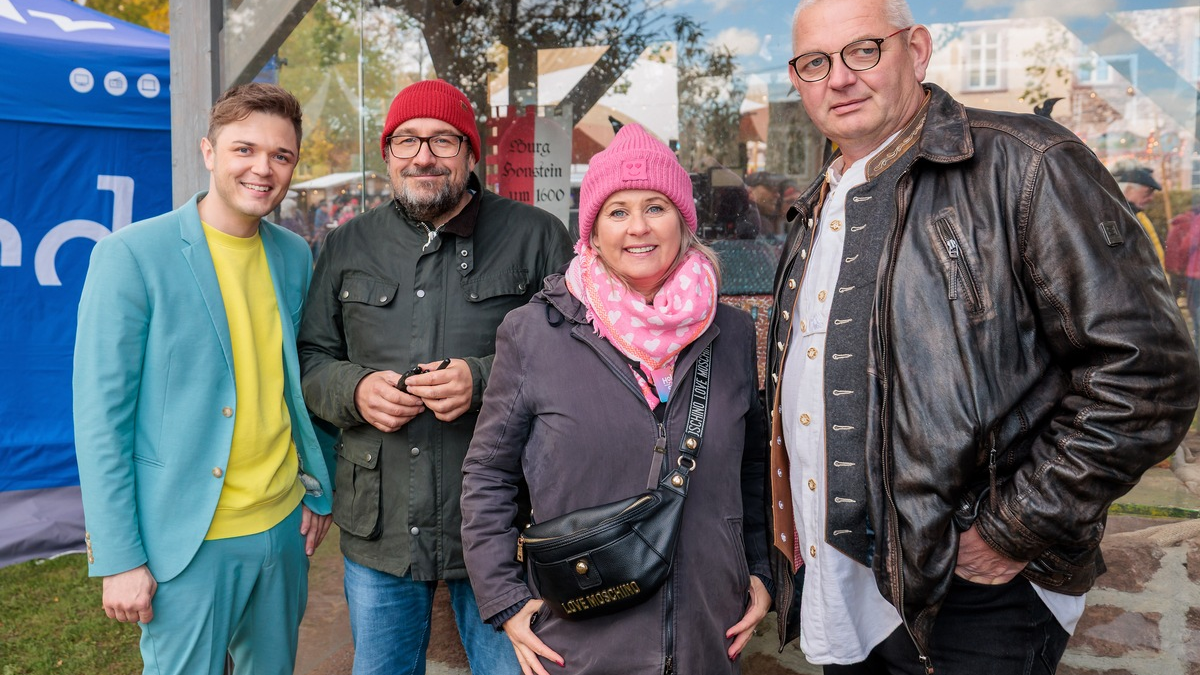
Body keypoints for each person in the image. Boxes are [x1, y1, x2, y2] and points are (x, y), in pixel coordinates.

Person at [765, 1, 1200, 673]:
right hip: (849, 587)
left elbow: (1150, 371)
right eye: (816, 63)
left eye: (863, 51)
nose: (840, 79)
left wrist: (1012, 527)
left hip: (975, 594)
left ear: (917, 48)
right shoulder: (816, 203)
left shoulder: (1026, 163)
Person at [460, 123, 772, 675]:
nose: (638, 228)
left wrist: (760, 571)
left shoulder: (729, 332)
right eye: (617, 211)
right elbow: (488, 474)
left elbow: (751, 468)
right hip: (581, 645)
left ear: (683, 220)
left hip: (708, 634)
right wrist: (504, 599)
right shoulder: (535, 333)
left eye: (656, 206)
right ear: (593, 231)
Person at [297, 78, 573, 675]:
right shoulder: (346, 244)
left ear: (472, 154)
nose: (424, 155)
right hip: (382, 522)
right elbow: (311, 360)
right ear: (389, 155)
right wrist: (354, 390)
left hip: (506, 522)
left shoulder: (537, 237)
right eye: (407, 141)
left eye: (444, 140)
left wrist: (483, 379)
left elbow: (579, 358)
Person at [73, 83, 335, 675]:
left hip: (282, 528)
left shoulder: (294, 255)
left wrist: (320, 482)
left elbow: (303, 377)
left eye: (281, 156)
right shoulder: (131, 256)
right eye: (244, 149)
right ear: (209, 151)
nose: (262, 169)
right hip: (184, 542)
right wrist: (118, 557)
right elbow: (100, 419)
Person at [1111, 162, 1166, 266]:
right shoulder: (1123, 219)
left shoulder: (1134, 215)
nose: (1151, 198)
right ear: (1128, 189)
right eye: (1147, 193)